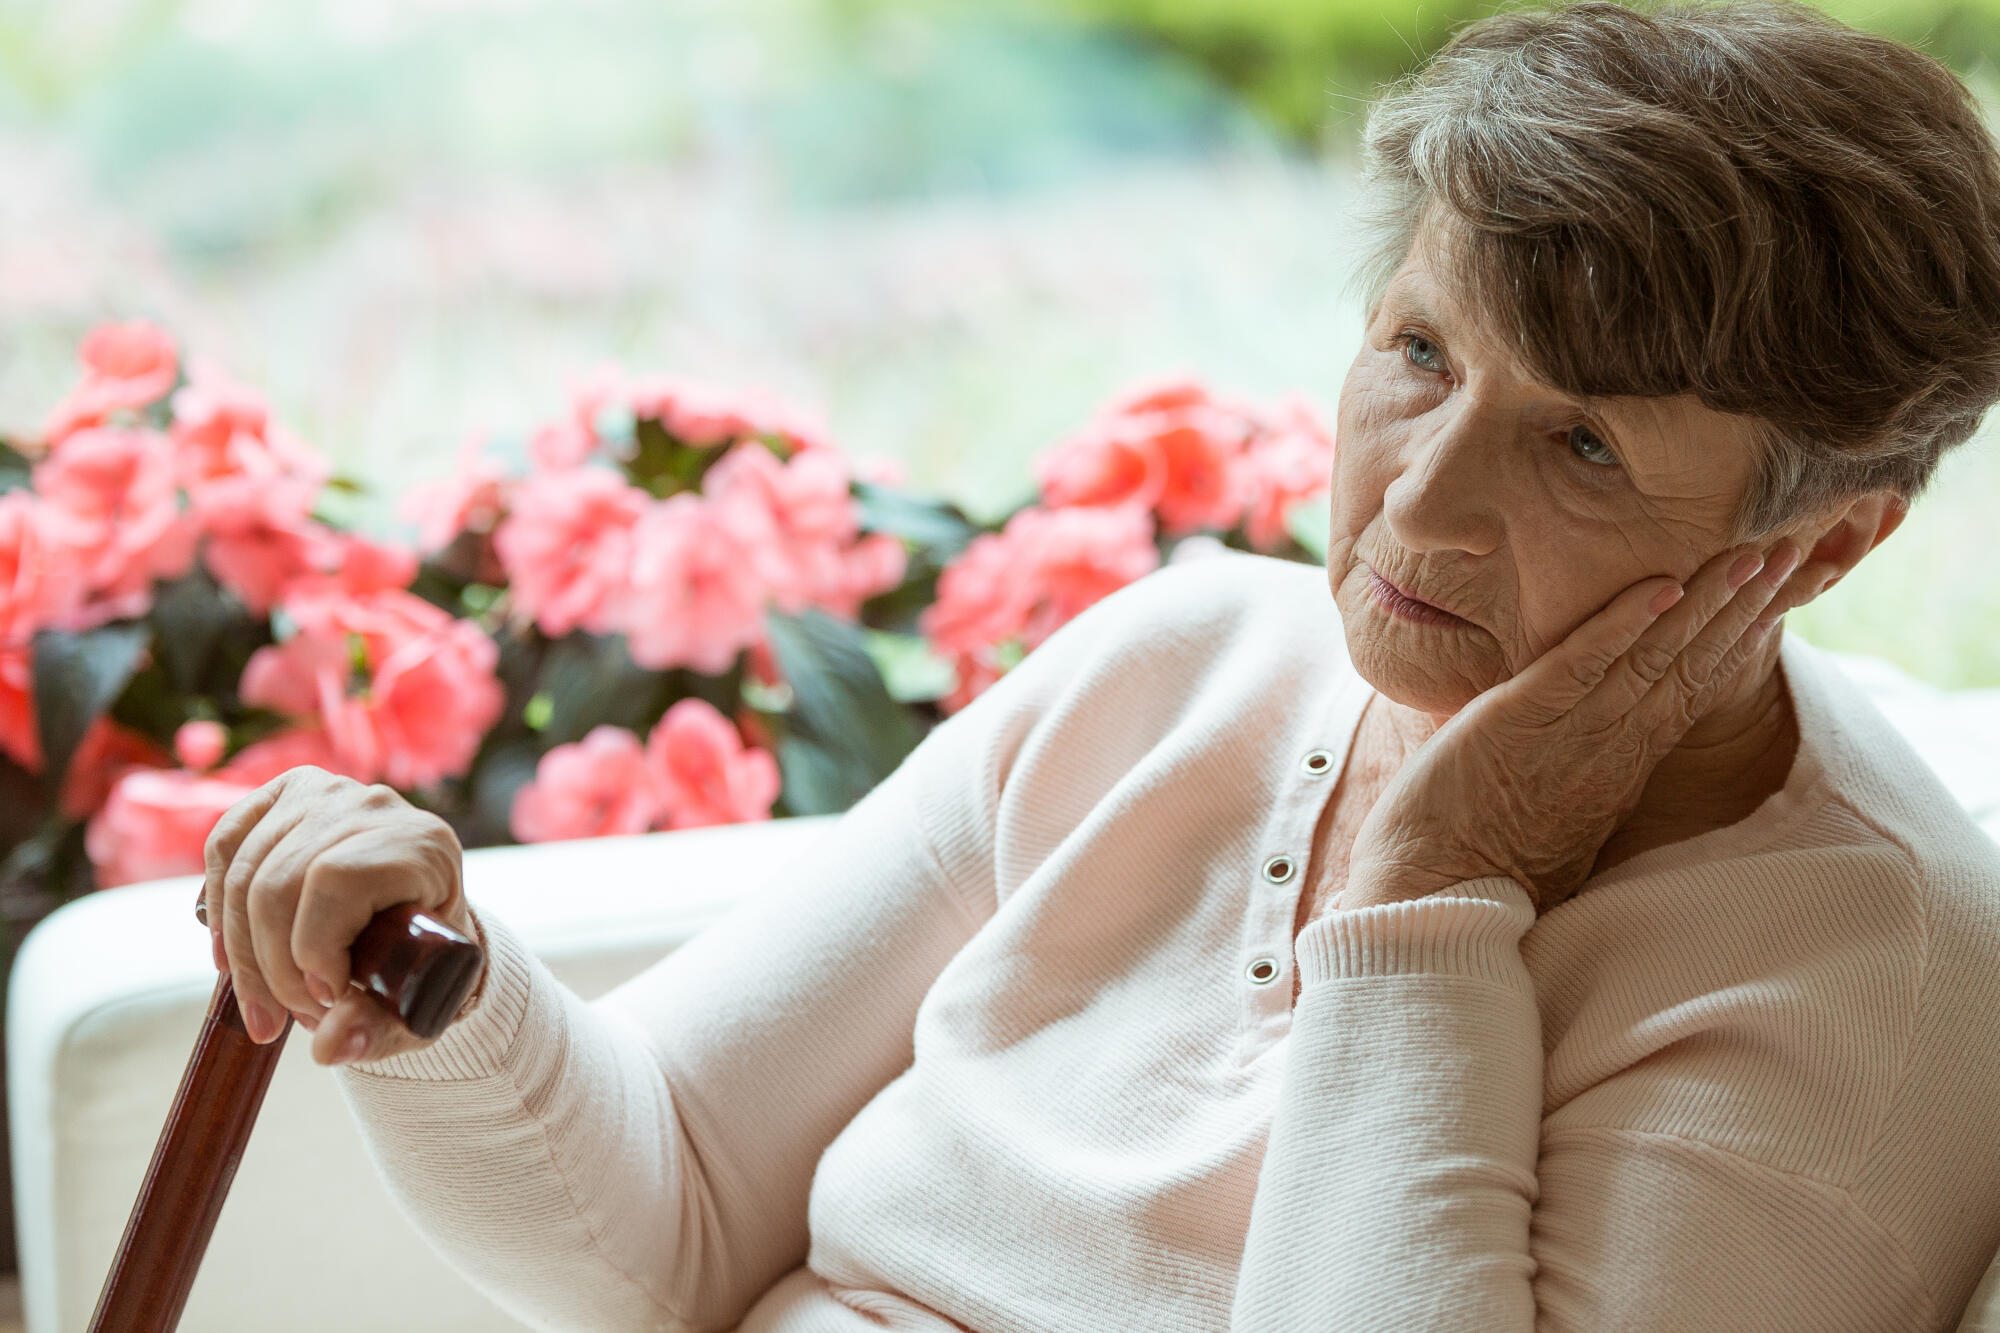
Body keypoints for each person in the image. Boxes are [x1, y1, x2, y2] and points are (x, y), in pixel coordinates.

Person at [200, 1, 2000, 1328]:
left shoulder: (1863, 982)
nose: (1418, 511)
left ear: (1827, 544)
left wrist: (1436, 898)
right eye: (1421, 355)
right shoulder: (1192, 658)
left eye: (1583, 445)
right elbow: (661, 1210)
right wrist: (436, 979)